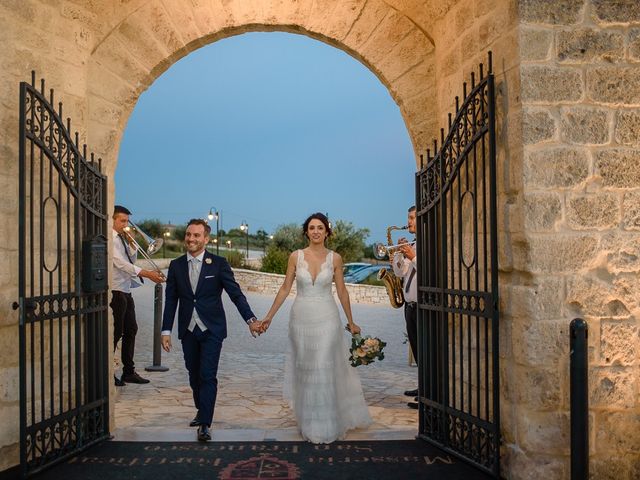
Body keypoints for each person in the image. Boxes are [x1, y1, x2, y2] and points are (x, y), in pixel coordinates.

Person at [257, 213, 372, 443]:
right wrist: (268, 316)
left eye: (321, 228)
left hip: (328, 318)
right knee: (306, 369)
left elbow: (342, 291)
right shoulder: (295, 257)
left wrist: (351, 321)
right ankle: (308, 420)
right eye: (312, 228)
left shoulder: (335, 259)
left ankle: (325, 425)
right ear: (306, 232)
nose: (316, 231)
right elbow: (284, 288)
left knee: (323, 367)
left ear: (327, 232)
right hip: (301, 319)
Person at [161, 218, 262, 442]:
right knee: (193, 374)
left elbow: (236, 295)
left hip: (212, 330)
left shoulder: (218, 264)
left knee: (207, 375)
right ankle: (201, 410)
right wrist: (165, 330)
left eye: (196, 235)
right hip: (188, 329)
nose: (191, 239)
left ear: (206, 239)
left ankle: (205, 423)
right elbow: (171, 301)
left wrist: (251, 319)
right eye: (188, 234)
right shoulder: (176, 265)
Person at [111, 205, 165, 386]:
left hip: (126, 290)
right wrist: (147, 274)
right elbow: (120, 264)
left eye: (127, 221)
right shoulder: (110, 239)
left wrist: (132, 244)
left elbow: (130, 260)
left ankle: (128, 371)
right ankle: (108, 373)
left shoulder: (122, 238)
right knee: (115, 333)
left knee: (131, 330)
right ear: (112, 220)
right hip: (115, 290)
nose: (126, 225)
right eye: (122, 221)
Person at [392, 206, 418, 409]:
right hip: (409, 306)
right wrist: (399, 256)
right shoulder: (413, 243)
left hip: (421, 306)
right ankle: (423, 387)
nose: (408, 222)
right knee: (418, 351)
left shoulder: (427, 243)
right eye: (408, 217)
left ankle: (429, 395)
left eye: (412, 218)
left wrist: (413, 256)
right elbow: (401, 274)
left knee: (426, 351)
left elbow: (431, 269)